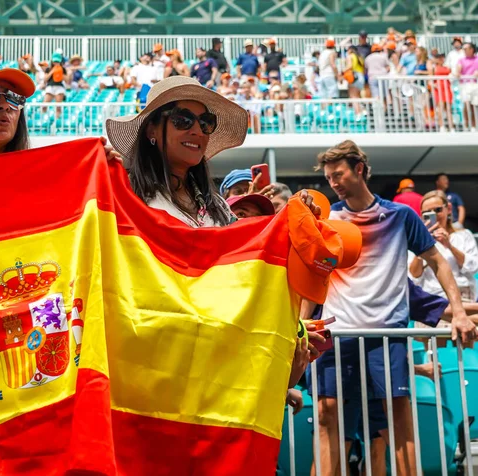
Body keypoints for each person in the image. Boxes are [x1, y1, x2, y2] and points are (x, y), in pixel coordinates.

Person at [307, 140, 475, 476]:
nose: (334, 183)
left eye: (338, 174)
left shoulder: (400, 215)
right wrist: (302, 324)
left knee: (398, 420)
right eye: (329, 177)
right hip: (337, 335)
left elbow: (437, 261)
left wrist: (458, 311)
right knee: (327, 417)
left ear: (359, 169)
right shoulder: (328, 219)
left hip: (387, 333)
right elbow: (314, 273)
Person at [105, 76, 322, 229]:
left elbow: (248, 252)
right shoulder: (124, 193)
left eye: (206, 122)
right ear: (152, 129)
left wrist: (296, 220)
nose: (198, 131)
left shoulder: (217, 207)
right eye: (183, 120)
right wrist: (101, 180)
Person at [410, 190, 478, 304]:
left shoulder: (464, 235)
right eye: (427, 213)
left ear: (449, 209)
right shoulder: (418, 240)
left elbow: (474, 267)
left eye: (438, 210)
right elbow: (414, 275)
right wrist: (422, 244)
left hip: (463, 296)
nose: (434, 215)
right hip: (433, 299)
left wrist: (450, 246)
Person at [456, 42, 478, 131]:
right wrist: (457, 72)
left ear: (471, 49)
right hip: (464, 85)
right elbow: (458, 70)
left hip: (475, 84)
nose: (464, 51)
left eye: (465, 49)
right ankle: (466, 125)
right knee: (466, 104)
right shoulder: (461, 60)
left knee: (474, 105)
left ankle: (473, 126)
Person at [430, 54, 454, 131]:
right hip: (439, 90)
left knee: (448, 109)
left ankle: (451, 127)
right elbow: (430, 81)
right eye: (438, 57)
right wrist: (435, 85)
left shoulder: (447, 67)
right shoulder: (434, 68)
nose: (440, 59)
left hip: (447, 88)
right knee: (440, 108)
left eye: (442, 57)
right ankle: (442, 126)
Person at [346, 45, 365, 115]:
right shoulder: (360, 57)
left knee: (353, 97)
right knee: (358, 96)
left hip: (354, 77)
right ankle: (362, 111)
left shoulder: (350, 56)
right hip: (361, 77)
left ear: (350, 50)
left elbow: (350, 66)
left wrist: (342, 72)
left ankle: (357, 114)